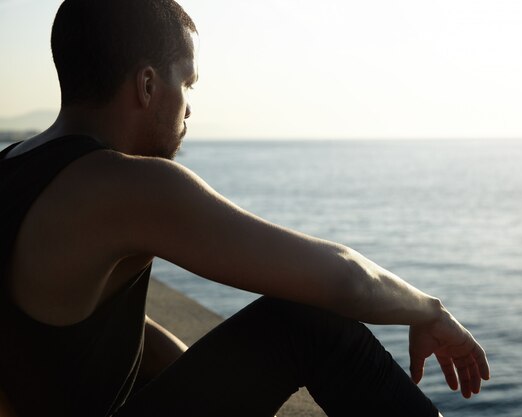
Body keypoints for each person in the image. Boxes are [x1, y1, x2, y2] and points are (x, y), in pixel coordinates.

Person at [0, 1, 490, 416]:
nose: (189, 107)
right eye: (186, 83)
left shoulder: (15, 164)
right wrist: (428, 311)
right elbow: (344, 280)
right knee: (308, 321)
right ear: (147, 86)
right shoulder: (125, 184)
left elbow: (93, 336)